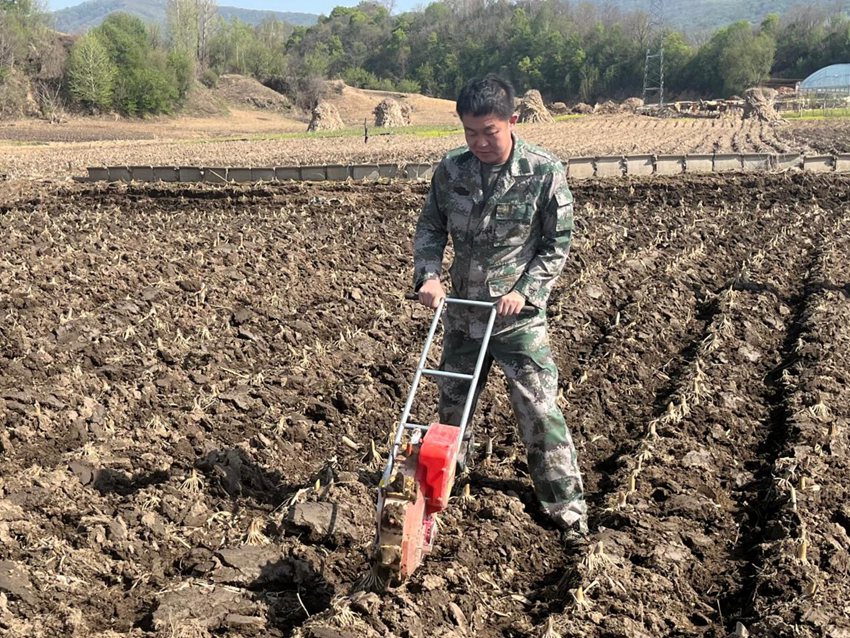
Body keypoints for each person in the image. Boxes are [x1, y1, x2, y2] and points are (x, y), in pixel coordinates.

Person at [412, 74, 587, 535]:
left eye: (489, 131)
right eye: (470, 132)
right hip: (463, 316)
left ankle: (567, 510)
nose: (480, 141)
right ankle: (441, 491)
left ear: (512, 120)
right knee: (452, 410)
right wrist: (428, 275)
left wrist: (525, 291)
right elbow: (431, 227)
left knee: (538, 409)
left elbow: (557, 243)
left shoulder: (543, 171)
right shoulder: (451, 171)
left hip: (516, 320)